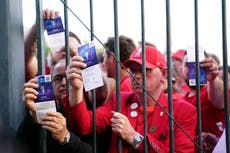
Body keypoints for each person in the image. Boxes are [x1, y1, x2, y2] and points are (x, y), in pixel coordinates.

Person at [63, 46, 197, 153]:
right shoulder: (119, 100)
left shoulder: (184, 111)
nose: (136, 76)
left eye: (144, 69)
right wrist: (76, 89)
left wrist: (134, 137)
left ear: (163, 74)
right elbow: (83, 125)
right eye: (132, 70)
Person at [17, 59, 92, 153]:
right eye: (58, 78)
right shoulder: (46, 107)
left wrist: (66, 137)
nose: (64, 83)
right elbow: (20, 145)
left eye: (70, 77)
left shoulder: (91, 108)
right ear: (50, 84)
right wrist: (34, 115)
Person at [181, 50, 225, 153]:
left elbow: (221, 100)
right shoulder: (179, 100)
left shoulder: (212, 91)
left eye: (198, 64)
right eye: (187, 65)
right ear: (181, 69)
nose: (191, 69)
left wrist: (213, 79)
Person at [24, 9, 81, 82]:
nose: (66, 52)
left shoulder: (85, 79)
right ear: (50, 53)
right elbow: (26, 57)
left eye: (71, 51)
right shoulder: (43, 73)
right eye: (61, 48)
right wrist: (36, 28)